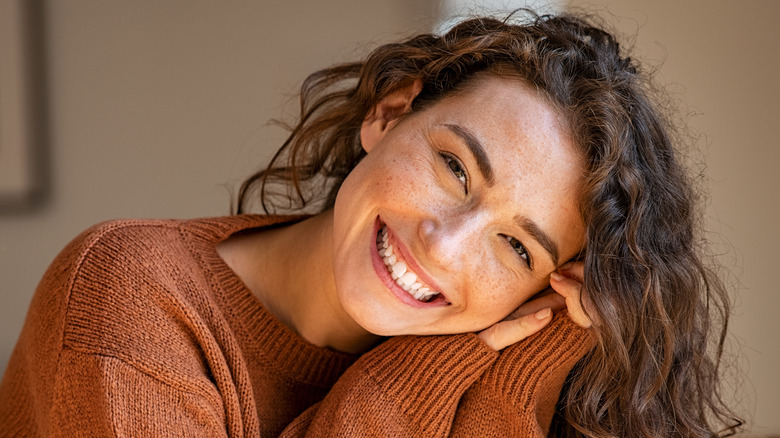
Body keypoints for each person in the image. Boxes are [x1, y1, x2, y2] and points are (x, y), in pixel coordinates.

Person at [0, 10, 741, 437]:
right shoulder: (134, 295)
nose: (445, 244)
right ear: (388, 114)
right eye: (455, 167)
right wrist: (409, 385)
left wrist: (523, 368)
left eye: (515, 246)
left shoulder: (489, 372)